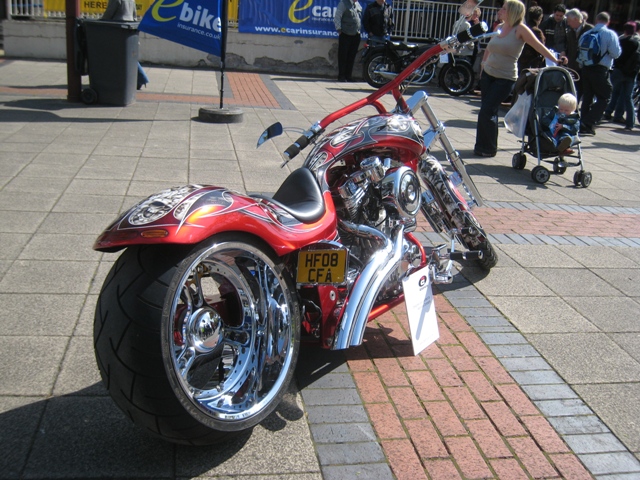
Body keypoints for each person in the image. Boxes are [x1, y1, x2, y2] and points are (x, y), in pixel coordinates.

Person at [474, 0, 566, 158]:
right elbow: (489, 47)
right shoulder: (500, 26)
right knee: (487, 111)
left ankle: (488, 148)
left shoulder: (520, 29)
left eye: (504, 8)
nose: (500, 11)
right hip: (489, 74)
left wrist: (557, 60)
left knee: (488, 110)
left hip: (505, 77)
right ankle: (482, 146)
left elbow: (539, 46)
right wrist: (483, 64)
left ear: (513, 12)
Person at [578, 12, 621, 135]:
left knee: (587, 97)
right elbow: (616, 53)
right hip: (600, 69)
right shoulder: (610, 34)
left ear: (596, 20)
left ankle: (583, 124)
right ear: (608, 22)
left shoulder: (586, 33)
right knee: (605, 96)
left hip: (586, 69)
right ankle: (588, 122)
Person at [101, 0, 149, 90]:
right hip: (128, 30)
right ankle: (140, 79)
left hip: (117, 30)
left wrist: (100, 22)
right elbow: (134, 16)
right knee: (129, 58)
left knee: (117, 57)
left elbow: (108, 14)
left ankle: (141, 79)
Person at [604, 21, 640, 130]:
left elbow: (614, 54)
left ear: (624, 30)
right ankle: (630, 123)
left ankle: (607, 112)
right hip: (631, 73)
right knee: (628, 98)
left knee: (612, 92)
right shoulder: (637, 43)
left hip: (619, 70)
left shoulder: (620, 40)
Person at [565, 9, 593, 101]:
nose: (568, 24)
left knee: (584, 92)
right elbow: (568, 47)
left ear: (576, 19)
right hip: (573, 66)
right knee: (573, 91)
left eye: (569, 21)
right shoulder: (570, 31)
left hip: (585, 67)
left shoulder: (590, 30)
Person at [334, 0, 363, 82]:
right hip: (345, 34)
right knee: (343, 56)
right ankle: (341, 76)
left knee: (352, 56)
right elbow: (337, 17)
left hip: (356, 34)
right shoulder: (343, 3)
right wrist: (339, 30)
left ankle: (348, 76)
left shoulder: (357, 4)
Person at [517, 5, 546, 72]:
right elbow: (541, 49)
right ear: (540, 18)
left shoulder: (523, 28)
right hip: (531, 64)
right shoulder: (537, 31)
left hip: (519, 60)